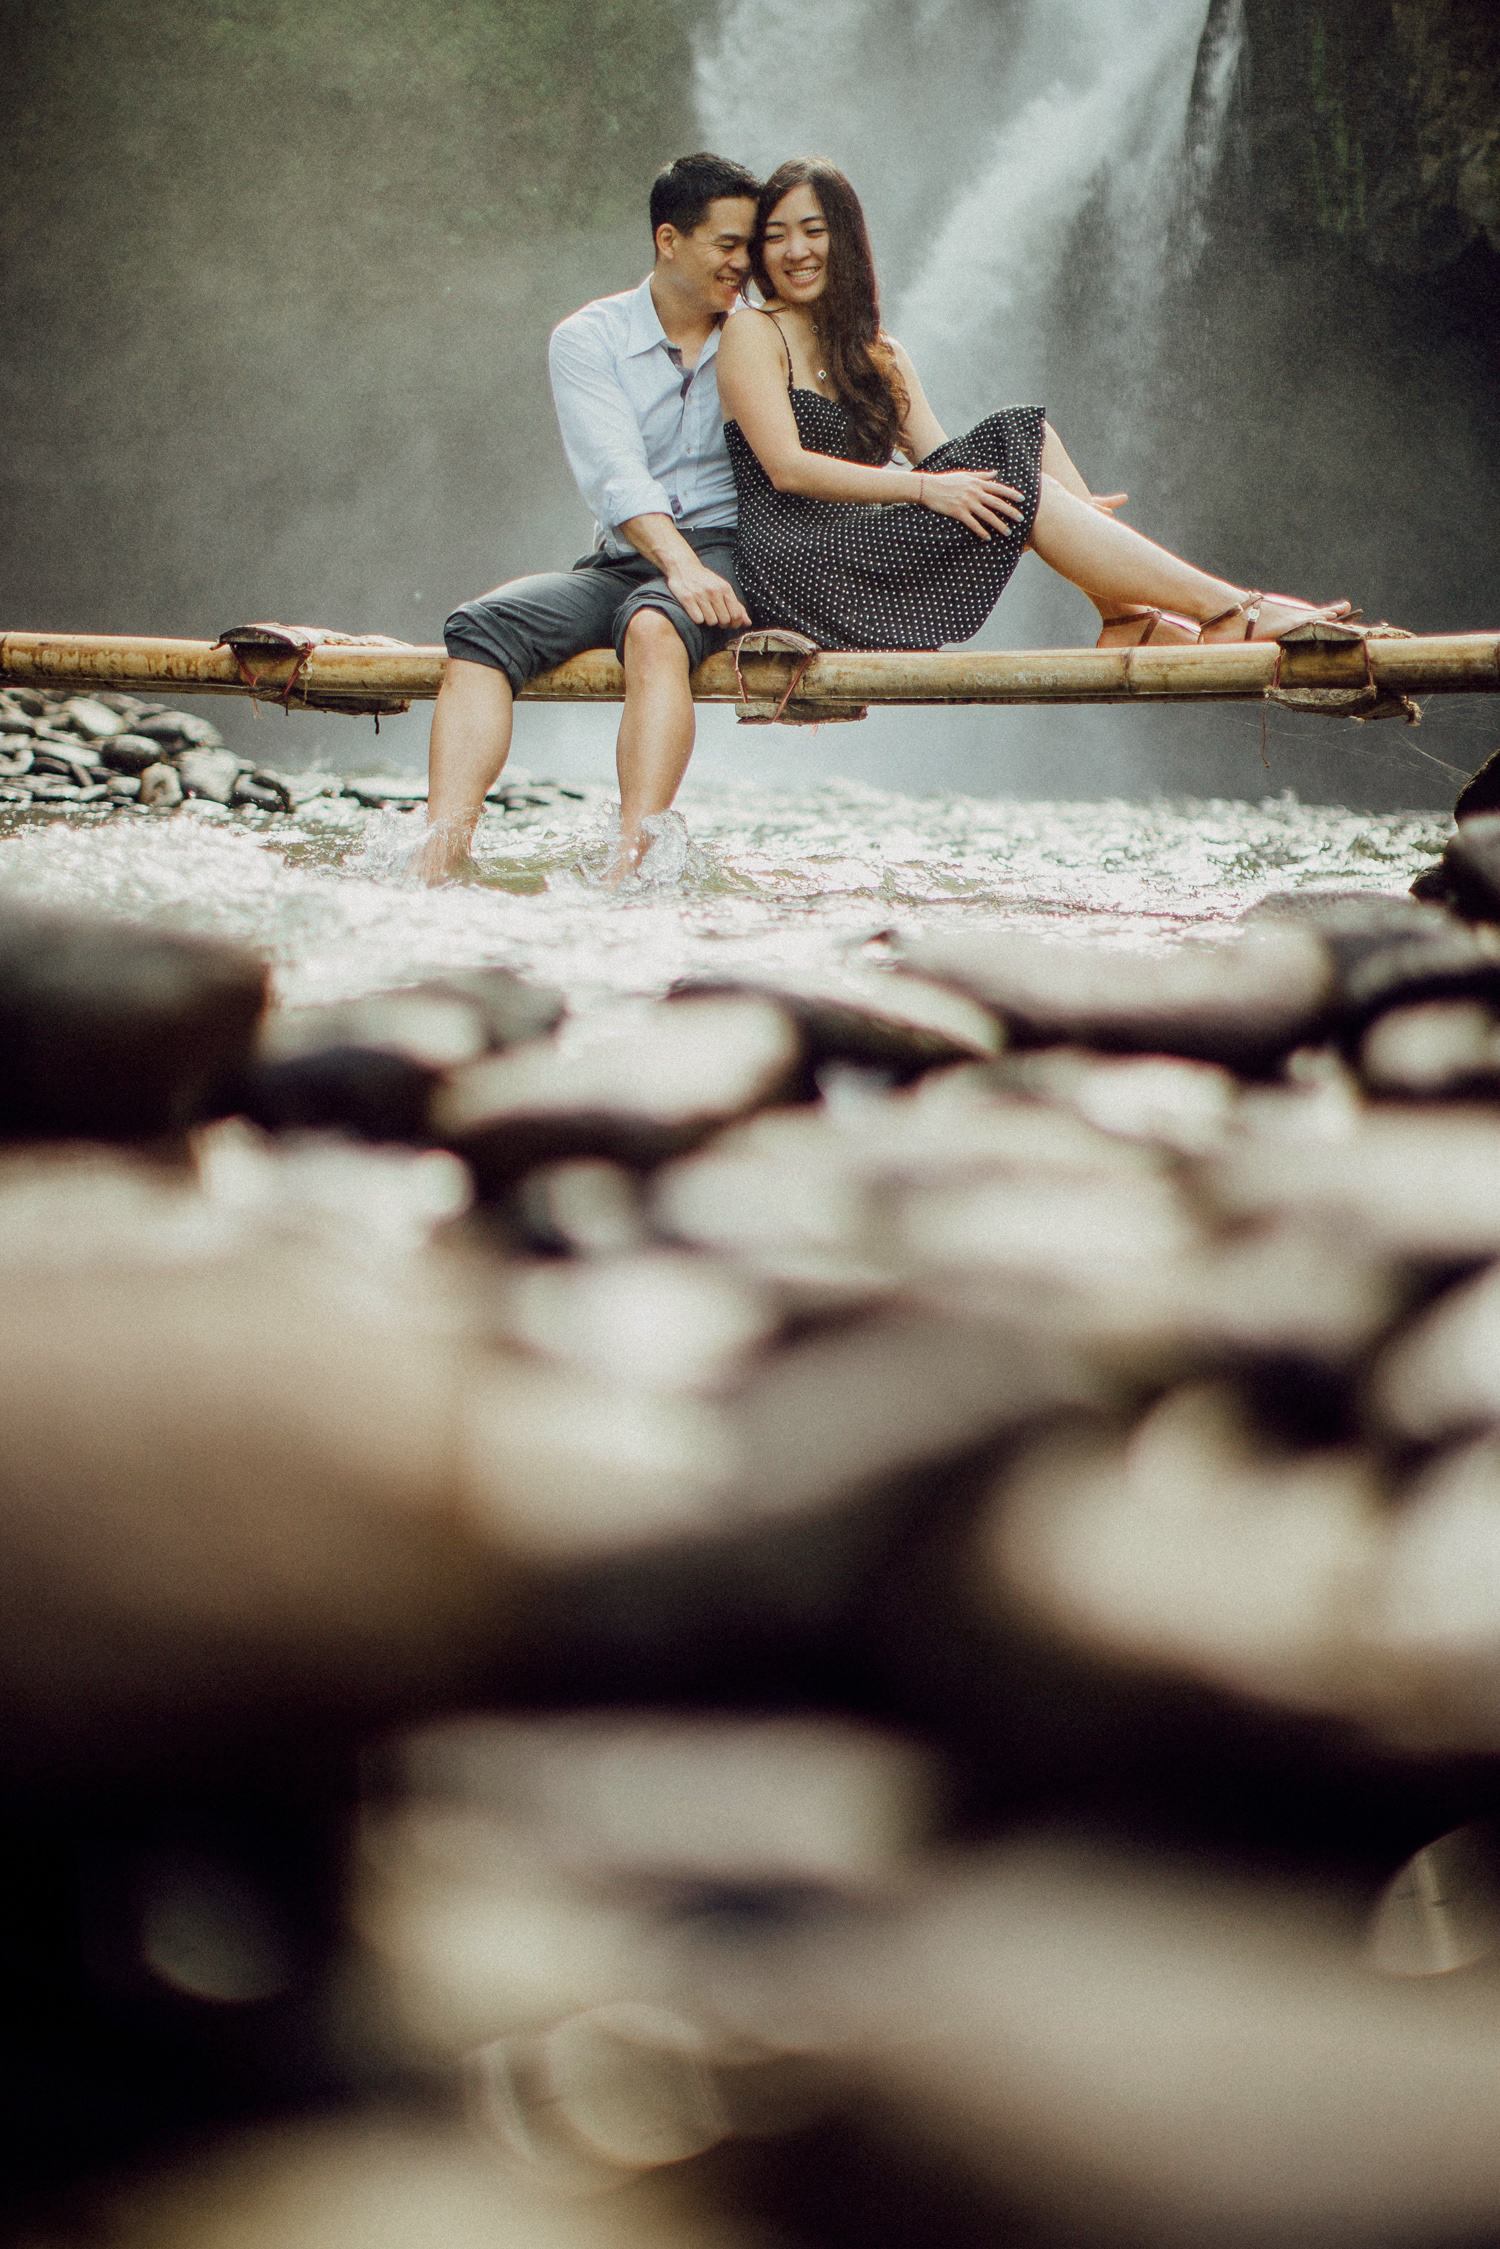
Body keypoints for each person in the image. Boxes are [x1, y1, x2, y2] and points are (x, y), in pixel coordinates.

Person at [715, 158, 1352, 659]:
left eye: (814, 230)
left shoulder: (879, 354)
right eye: (775, 237)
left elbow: (945, 461)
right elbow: (787, 470)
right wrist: (930, 491)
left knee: (1027, 435)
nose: (795, 251)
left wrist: (1051, 500)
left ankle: (1125, 619)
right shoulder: (753, 332)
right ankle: (1231, 610)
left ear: (847, 239)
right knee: (1028, 482)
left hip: (867, 546)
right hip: (793, 561)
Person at [419, 152, 760, 886]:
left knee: (653, 625)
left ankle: (629, 865)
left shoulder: (760, 337)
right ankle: (439, 856)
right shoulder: (588, 338)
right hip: (632, 555)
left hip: (729, 553)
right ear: (669, 240)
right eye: (727, 244)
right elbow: (615, 474)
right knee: (480, 626)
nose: (744, 263)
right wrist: (677, 564)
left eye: (749, 246)